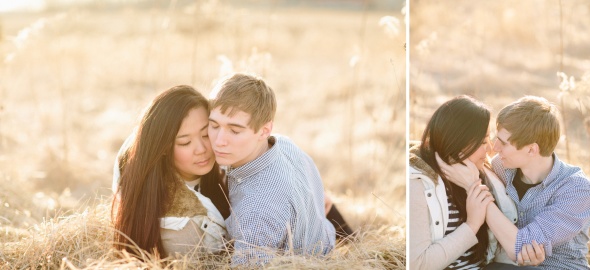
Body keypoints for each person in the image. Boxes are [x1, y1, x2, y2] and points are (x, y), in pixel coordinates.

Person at [441, 96, 590, 269]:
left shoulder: (577, 189)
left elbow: (519, 246)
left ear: (531, 149)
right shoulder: (500, 167)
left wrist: (474, 188)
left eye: (503, 143)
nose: (494, 148)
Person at [207, 73, 336, 266]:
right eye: (214, 125)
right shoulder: (283, 143)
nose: (219, 141)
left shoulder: (257, 210)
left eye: (235, 130)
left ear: (264, 131)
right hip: (323, 236)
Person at [410, 95, 544, 270]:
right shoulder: (418, 182)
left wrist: (526, 255)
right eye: (482, 142)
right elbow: (417, 265)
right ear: (456, 141)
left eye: (489, 139)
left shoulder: (487, 174)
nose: (490, 148)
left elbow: (500, 250)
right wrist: (472, 225)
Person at [111, 85, 228, 258]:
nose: (201, 149)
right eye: (185, 142)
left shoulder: (229, 155)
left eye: (205, 134)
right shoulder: (174, 225)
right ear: (163, 147)